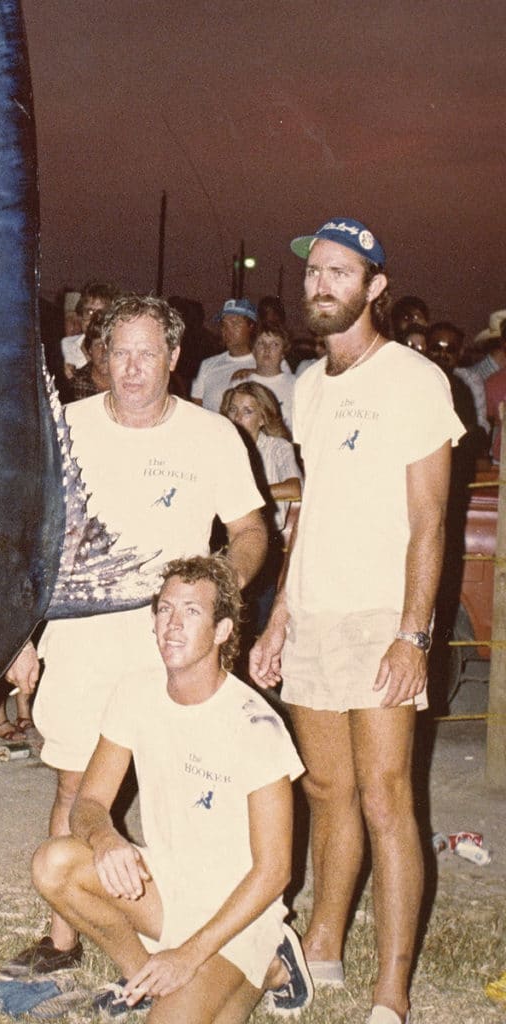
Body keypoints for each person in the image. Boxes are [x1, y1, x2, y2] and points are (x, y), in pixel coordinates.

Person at [0, 294, 268, 979]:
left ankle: (225, 934)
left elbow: (249, 531)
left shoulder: (213, 436)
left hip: (174, 643)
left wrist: (214, 596)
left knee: (198, 790)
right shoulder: (65, 426)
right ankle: (61, 938)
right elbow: (26, 536)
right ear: (99, 357)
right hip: (83, 637)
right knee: (74, 787)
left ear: (175, 359)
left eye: (148, 353)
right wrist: (18, 635)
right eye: (119, 352)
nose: (133, 368)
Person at [250, 217, 464, 1024]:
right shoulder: (307, 385)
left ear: (375, 287)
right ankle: (326, 946)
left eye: (342, 273)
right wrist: (278, 622)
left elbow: (431, 520)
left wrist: (412, 635)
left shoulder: (413, 380)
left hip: (381, 616)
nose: (322, 284)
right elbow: (313, 510)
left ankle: (392, 993)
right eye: (315, 272)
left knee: (384, 797)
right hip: (315, 613)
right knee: (327, 788)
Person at [31, 556, 310, 1022]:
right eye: (164, 610)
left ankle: (274, 963)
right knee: (54, 862)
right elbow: (90, 803)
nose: (173, 625)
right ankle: (143, 977)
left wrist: (190, 955)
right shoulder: (135, 693)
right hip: (169, 888)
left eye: (192, 612)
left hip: (239, 914)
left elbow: (274, 872)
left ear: (223, 630)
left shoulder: (256, 725)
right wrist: (105, 840)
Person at [221, 382, 302, 633]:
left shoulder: (278, 448)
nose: (237, 417)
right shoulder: (221, 445)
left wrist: (251, 494)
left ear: (263, 418)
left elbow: (295, 488)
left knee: (257, 621)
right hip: (225, 540)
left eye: (247, 411)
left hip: (268, 541)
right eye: (233, 410)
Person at [191, 298, 258, 412]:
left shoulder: (266, 365)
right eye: (224, 324)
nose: (227, 330)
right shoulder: (208, 365)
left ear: (251, 326)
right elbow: (196, 407)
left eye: (235, 323)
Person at [59, 282, 119, 381]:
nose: (94, 319)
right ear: (81, 315)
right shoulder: (65, 346)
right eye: (89, 312)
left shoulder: (118, 349)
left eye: (101, 313)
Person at [64, 309, 110, 402]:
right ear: (90, 350)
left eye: (109, 344)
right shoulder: (76, 384)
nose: (104, 351)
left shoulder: (128, 382)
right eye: (98, 345)